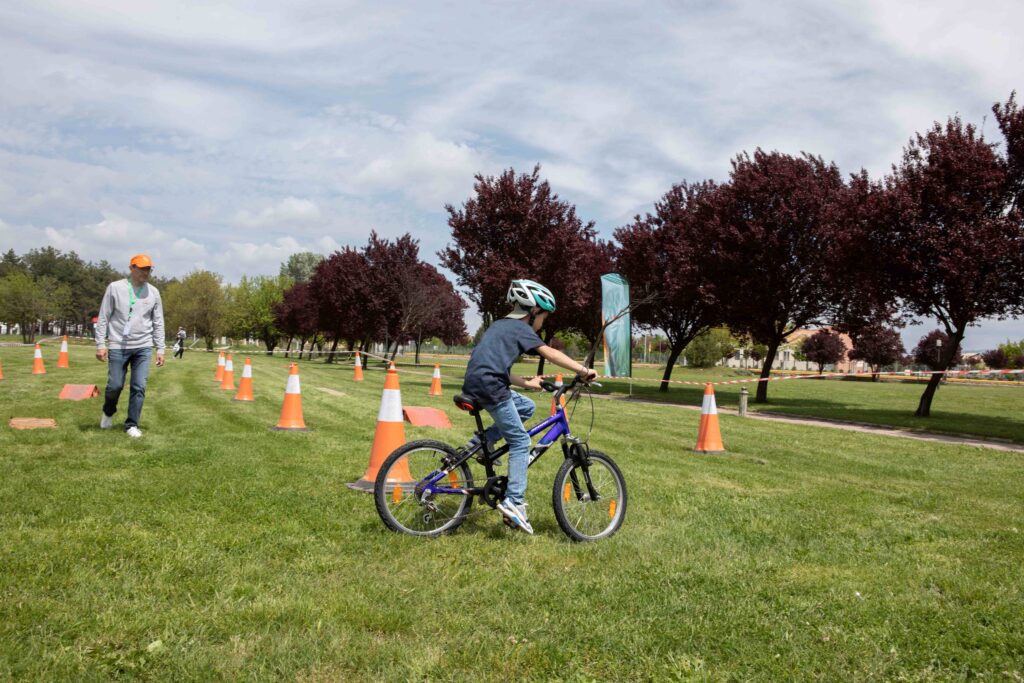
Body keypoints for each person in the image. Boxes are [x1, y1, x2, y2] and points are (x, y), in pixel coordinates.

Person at [461, 279, 597, 534]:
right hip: (491, 387)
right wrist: (583, 370)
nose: (542, 322)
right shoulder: (520, 328)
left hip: (478, 382)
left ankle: (481, 443)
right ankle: (514, 502)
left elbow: (492, 368)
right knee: (521, 442)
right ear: (533, 311)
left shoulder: (499, 326)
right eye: (543, 316)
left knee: (526, 407)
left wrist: (525, 381)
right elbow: (551, 353)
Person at [95, 254, 166, 438]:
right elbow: (103, 317)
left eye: (148, 269)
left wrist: (160, 348)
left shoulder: (154, 292)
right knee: (115, 385)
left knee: (139, 386)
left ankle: (131, 425)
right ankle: (108, 412)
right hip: (118, 345)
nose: (145, 272)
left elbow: (158, 322)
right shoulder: (115, 288)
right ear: (131, 268)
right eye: (142, 268)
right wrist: (100, 344)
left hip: (143, 346)